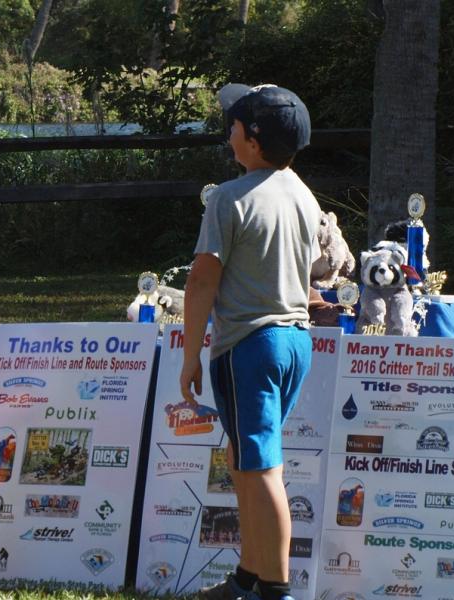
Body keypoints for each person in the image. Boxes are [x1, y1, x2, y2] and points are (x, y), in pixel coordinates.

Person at [181, 83, 318, 600]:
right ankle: (247, 577)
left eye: (233, 125)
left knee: (261, 471)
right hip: (293, 343)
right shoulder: (302, 192)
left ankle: (276, 590)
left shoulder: (228, 198)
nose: (228, 131)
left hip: (249, 346)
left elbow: (201, 280)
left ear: (253, 141)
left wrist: (190, 353)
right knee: (246, 462)